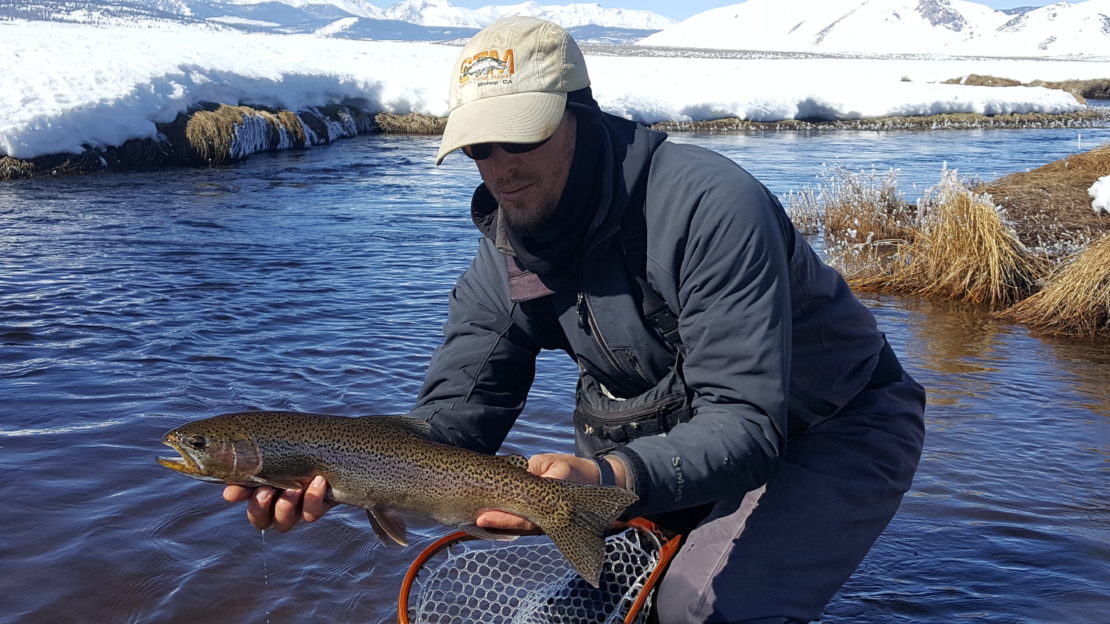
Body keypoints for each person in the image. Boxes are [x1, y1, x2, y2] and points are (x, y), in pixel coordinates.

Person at [224, 16, 926, 623]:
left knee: (697, 608)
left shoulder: (710, 209)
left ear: (580, 113)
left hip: (835, 423)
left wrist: (609, 475)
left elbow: (746, 422)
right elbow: (451, 427)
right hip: (667, 447)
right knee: (572, 610)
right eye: (478, 147)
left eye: (517, 137)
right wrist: (345, 471)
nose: (499, 168)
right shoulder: (504, 254)